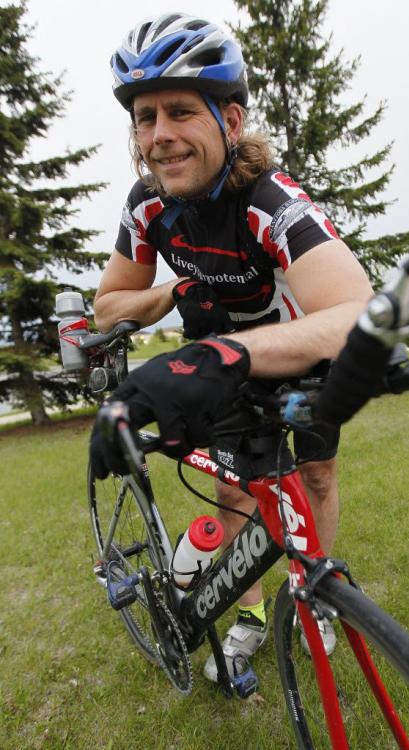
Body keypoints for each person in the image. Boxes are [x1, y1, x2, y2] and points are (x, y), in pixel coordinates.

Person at [91, 12, 373, 682]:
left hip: (304, 355)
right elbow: (110, 303)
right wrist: (171, 293)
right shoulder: (147, 207)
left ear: (232, 121)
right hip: (216, 361)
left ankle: (315, 599)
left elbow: (357, 310)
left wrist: (237, 351)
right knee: (238, 491)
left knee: (315, 476)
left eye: (182, 111)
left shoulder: (271, 203)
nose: (160, 136)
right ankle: (248, 614)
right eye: (145, 116)